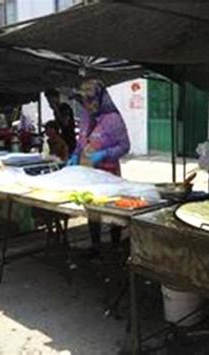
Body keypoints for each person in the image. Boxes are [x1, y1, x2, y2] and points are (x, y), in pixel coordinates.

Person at [68, 79, 130, 255]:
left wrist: (104, 154)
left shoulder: (114, 119)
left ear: (100, 98)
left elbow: (125, 147)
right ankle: (95, 246)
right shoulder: (86, 118)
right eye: (83, 101)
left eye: (88, 100)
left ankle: (115, 245)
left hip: (109, 172)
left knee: (112, 211)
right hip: (89, 173)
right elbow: (81, 142)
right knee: (92, 210)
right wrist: (75, 155)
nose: (86, 104)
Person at [45, 89, 77, 154]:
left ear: (57, 98)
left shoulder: (64, 107)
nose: (50, 103)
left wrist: (56, 109)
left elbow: (65, 123)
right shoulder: (55, 111)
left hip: (69, 140)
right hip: (62, 139)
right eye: (49, 101)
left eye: (51, 101)